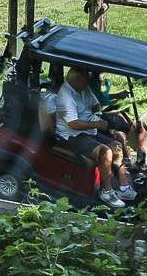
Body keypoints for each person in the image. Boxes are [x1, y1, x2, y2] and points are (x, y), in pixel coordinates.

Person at [54, 66, 134, 206]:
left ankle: (123, 188)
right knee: (105, 151)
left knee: (117, 146)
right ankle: (107, 192)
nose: (88, 83)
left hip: (86, 130)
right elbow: (73, 124)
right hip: (70, 136)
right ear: (77, 80)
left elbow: (95, 104)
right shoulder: (66, 96)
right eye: (86, 80)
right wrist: (97, 124)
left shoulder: (83, 88)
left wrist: (94, 115)